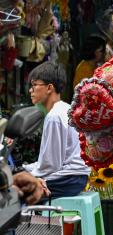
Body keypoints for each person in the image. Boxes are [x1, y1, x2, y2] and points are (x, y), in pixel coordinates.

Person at [23, 62, 90, 198]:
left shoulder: (54, 116)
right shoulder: (65, 109)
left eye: (35, 85)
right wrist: (26, 169)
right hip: (76, 178)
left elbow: (50, 166)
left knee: (17, 191)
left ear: (49, 88)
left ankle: (39, 220)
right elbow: (49, 162)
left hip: (67, 180)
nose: (31, 90)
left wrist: (25, 175)